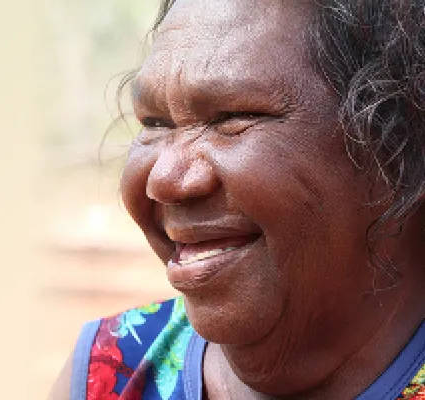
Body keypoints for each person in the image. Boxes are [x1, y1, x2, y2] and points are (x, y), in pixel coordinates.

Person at [50, 0, 425, 398]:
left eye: (231, 117)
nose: (163, 180)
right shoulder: (108, 372)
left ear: (403, 145)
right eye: (154, 123)